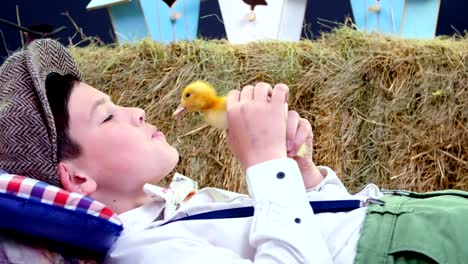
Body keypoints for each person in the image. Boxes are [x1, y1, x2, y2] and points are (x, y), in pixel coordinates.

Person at [1, 39, 467, 264]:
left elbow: (326, 230)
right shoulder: (141, 249)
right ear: (78, 180)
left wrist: (304, 175)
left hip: (414, 219)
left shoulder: (171, 207)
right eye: (107, 116)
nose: (137, 110)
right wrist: (266, 165)